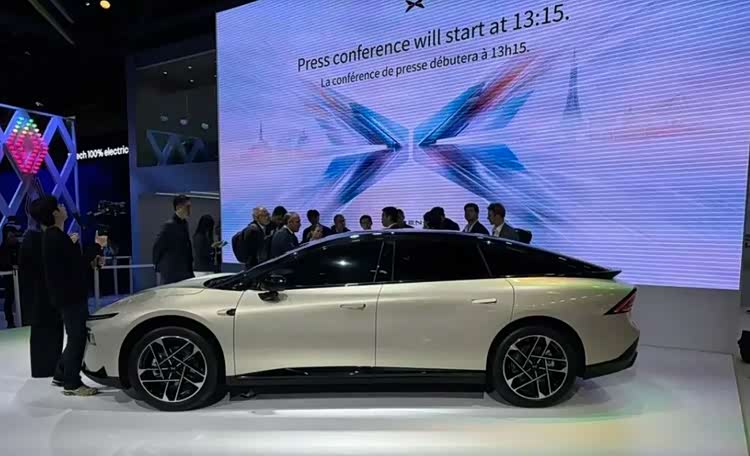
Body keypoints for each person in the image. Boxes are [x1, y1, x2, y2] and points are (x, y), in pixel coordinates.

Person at [40, 195, 104, 396]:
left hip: (67, 295)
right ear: (54, 213)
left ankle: (61, 374)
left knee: (75, 336)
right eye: (59, 205)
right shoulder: (56, 238)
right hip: (71, 296)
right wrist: (97, 246)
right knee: (77, 337)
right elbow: (77, 265)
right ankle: (72, 383)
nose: (63, 207)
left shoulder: (55, 237)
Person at [21, 198, 62, 378]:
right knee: (45, 332)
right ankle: (47, 368)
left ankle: (49, 367)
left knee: (48, 332)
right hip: (43, 297)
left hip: (44, 297)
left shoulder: (34, 237)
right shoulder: (38, 239)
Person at [153, 195, 194, 284]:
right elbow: (157, 246)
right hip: (172, 273)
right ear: (178, 207)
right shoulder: (169, 226)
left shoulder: (184, 224)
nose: (189, 210)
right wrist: (157, 265)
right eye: (187, 207)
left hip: (185, 271)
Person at [0, 226, 20, 328]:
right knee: (9, 299)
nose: (13, 237)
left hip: (19, 277)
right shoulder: (3, 248)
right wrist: (11, 266)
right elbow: (2, 263)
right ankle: (10, 322)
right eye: (11, 235)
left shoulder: (17, 246)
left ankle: (22, 319)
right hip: (9, 278)